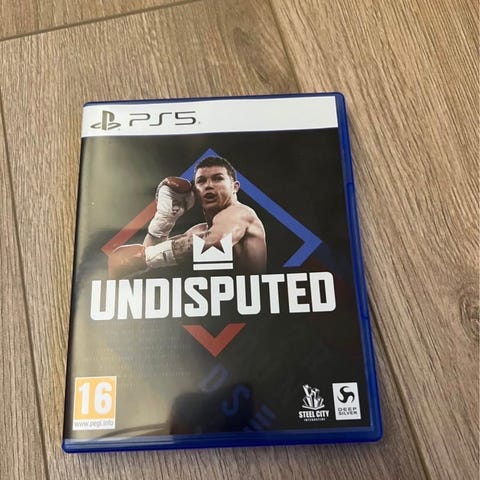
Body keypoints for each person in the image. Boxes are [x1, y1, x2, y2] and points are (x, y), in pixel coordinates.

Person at [108, 156, 267, 278]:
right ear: (195, 191)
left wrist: (145, 257)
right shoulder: (198, 231)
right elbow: (151, 259)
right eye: (201, 181)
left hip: (250, 306)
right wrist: (164, 220)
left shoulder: (241, 213)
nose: (209, 185)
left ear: (235, 187)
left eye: (218, 178)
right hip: (213, 307)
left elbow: (215, 241)